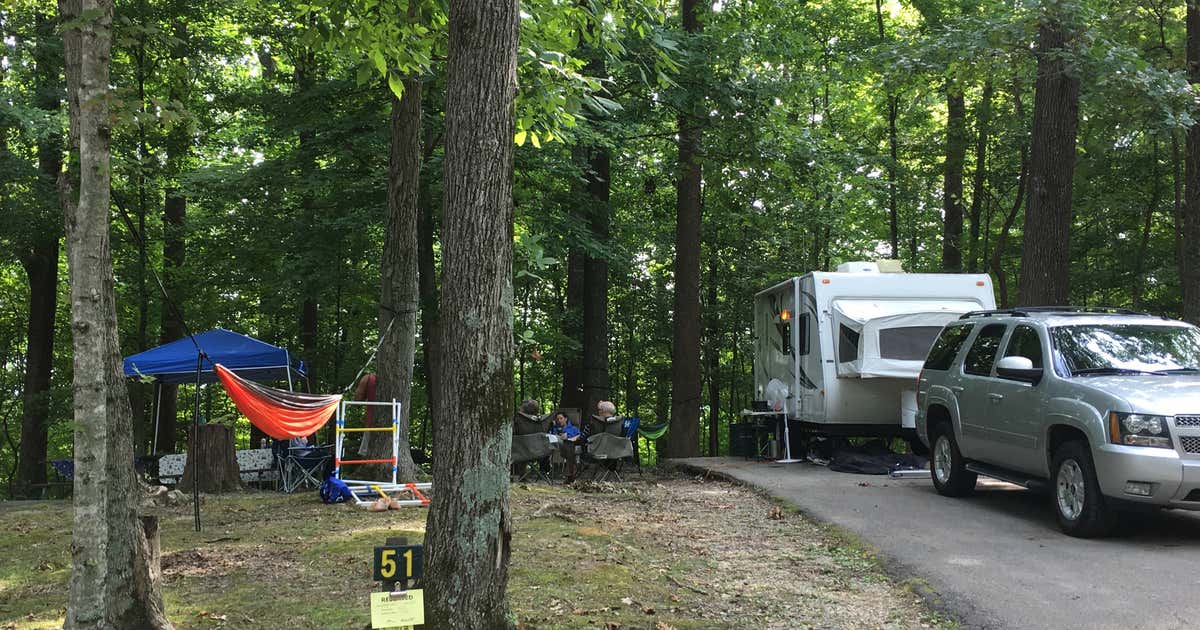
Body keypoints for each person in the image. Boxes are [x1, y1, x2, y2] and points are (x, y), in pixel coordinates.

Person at [550, 410, 580, 482]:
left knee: (569, 444)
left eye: (561, 418)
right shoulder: (554, 428)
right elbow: (549, 437)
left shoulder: (573, 428)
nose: (559, 420)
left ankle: (570, 475)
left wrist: (574, 437)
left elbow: (579, 435)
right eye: (557, 419)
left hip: (568, 447)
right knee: (570, 450)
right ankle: (571, 474)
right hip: (557, 446)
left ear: (566, 419)